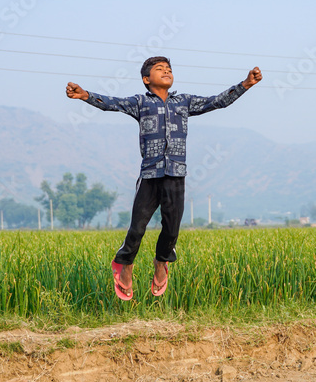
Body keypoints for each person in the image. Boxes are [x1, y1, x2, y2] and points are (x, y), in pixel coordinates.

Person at [66, 57, 262, 299]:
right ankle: (124, 264)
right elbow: (112, 103)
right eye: (160, 69)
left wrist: (246, 84)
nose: (166, 71)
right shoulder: (140, 102)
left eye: (169, 69)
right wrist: (85, 94)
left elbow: (217, 102)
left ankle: (161, 263)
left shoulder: (184, 101)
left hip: (175, 173)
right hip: (150, 173)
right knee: (137, 228)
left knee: (171, 229)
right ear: (146, 79)